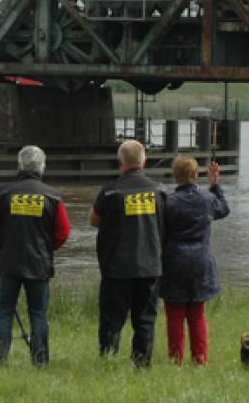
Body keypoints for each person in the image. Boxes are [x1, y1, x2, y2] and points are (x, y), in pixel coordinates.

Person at [0, 145, 71, 367]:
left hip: (8, 262)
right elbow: (63, 232)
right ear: (44, 167)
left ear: (18, 166)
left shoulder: (3, 193)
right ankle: (40, 361)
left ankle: (0, 360)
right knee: (38, 314)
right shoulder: (52, 196)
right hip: (39, 263)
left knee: (4, 312)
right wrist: (47, 248)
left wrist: (3, 244)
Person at [89, 139, 165, 367]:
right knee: (145, 319)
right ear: (145, 161)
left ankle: (108, 358)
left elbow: (94, 220)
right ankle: (142, 362)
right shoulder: (159, 191)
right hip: (149, 265)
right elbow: (165, 222)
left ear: (119, 163)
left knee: (112, 318)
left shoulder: (110, 192)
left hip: (116, 267)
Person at [159, 156, 230, 365]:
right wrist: (215, 185)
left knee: (174, 314)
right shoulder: (207, 200)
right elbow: (223, 209)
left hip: (174, 261)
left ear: (175, 176)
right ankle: (200, 359)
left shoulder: (167, 201)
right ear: (196, 175)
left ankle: (175, 359)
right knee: (197, 315)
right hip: (200, 261)